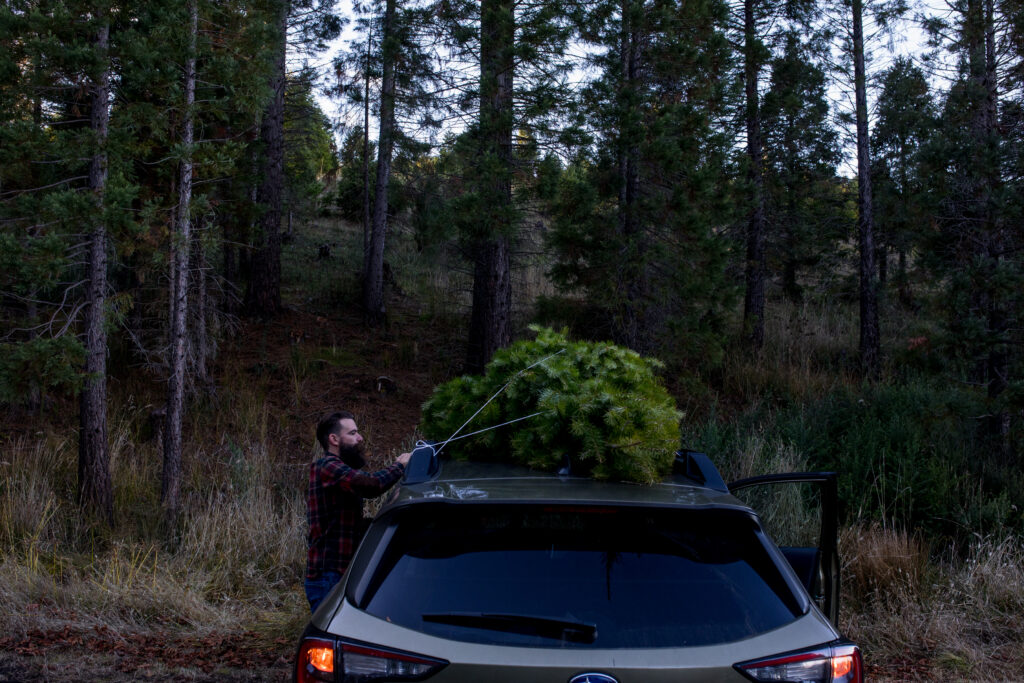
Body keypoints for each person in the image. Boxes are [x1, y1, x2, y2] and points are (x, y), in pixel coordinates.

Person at [305, 410, 411, 612]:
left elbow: (352, 522)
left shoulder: (339, 470)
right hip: (328, 576)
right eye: (353, 433)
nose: (360, 438)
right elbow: (371, 485)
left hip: (339, 573)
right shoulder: (327, 466)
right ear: (334, 439)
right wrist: (400, 465)